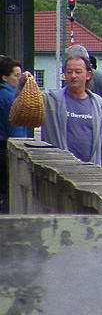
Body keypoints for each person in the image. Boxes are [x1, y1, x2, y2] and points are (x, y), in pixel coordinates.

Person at [39, 47, 102, 169]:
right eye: (69, 72)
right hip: (59, 174)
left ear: (88, 75)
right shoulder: (50, 101)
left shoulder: (99, 107)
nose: (73, 76)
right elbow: (23, 106)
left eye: (78, 72)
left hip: (91, 176)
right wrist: (23, 83)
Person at [0, 56, 30, 213]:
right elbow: (16, 132)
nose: (19, 79)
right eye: (16, 76)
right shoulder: (10, 99)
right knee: (7, 195)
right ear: (5, 77)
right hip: (6, 152)